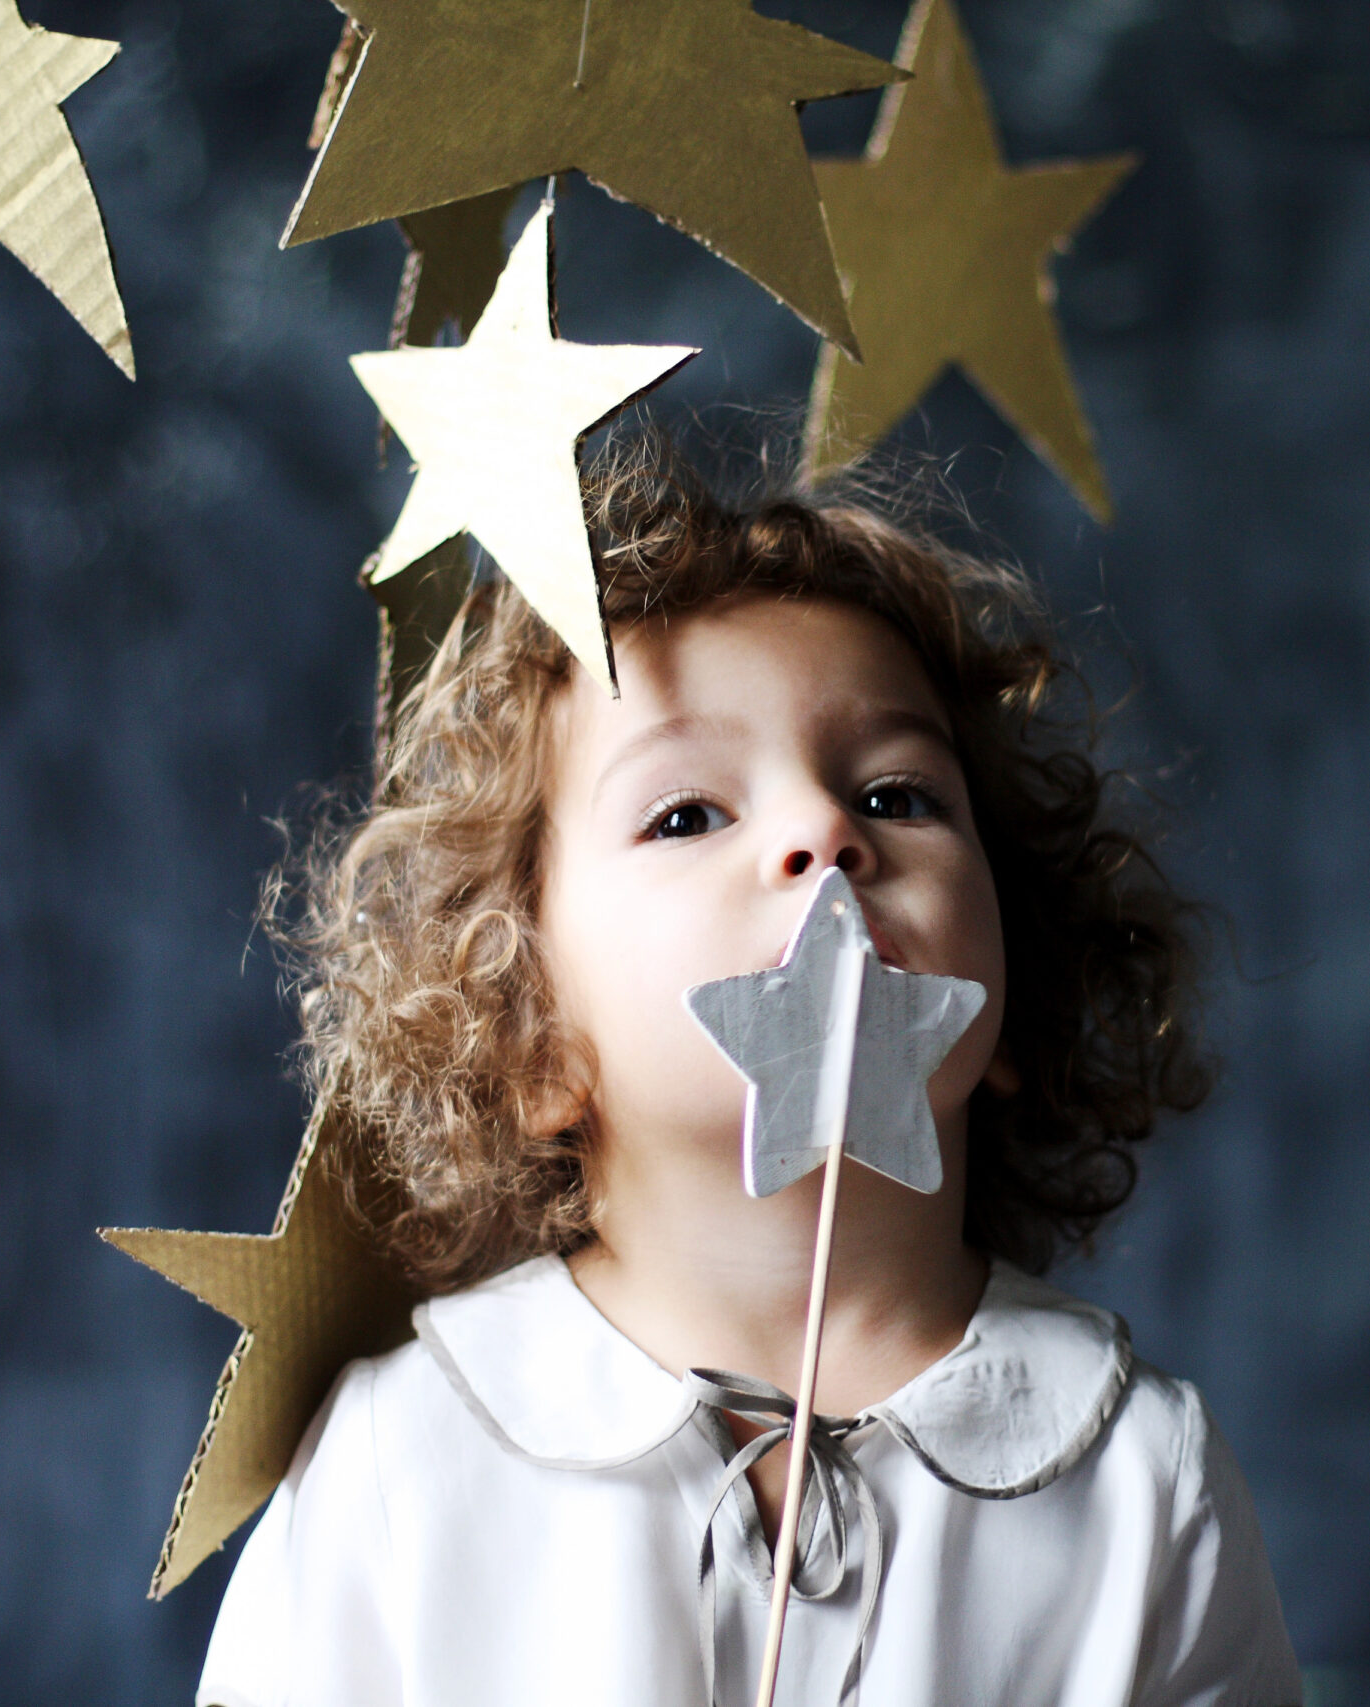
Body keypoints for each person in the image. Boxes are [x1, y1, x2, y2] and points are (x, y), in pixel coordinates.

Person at [198, 436, 1302, 1706]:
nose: (823, 833)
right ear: (533, 1036)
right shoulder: (407, 1454)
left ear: (1015, 988)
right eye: (686, 813)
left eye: (895, 794)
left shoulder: (1138, 1474)